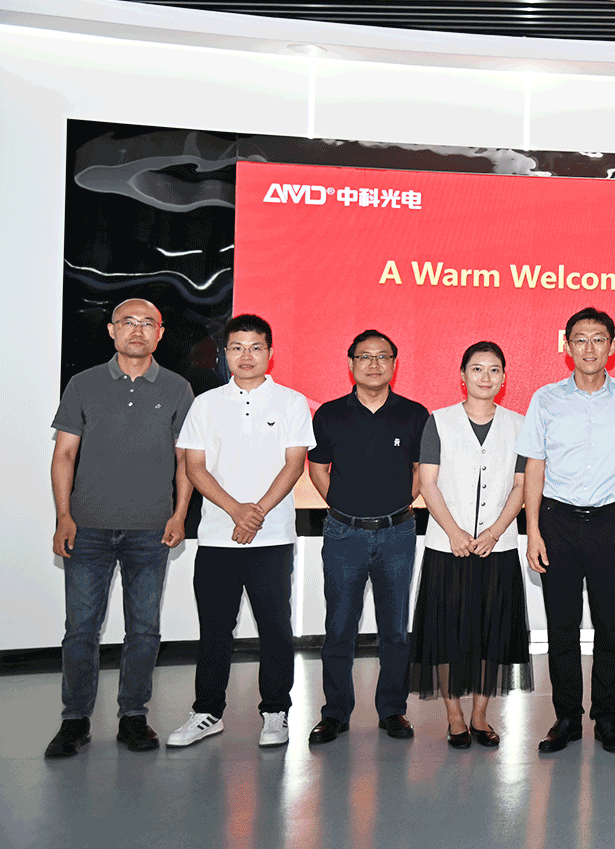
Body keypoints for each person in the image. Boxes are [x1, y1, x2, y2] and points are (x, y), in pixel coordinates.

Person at [45, 297, 195, 758]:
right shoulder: (83, 384)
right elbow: (64, 454)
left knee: (144, 630)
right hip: (86, 528)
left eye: (148, 322)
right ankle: (75, 720)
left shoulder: (177, 388)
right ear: (111, 330)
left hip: (151, 530)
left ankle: (133, 715)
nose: (137, 330)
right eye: (127, 322)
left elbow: (185, 461)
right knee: (80, 630)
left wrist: (179, 514)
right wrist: (64, 516)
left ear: (160, 333)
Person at [166, 314, 315, 749]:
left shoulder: (291, 402)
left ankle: (276, 711)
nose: (246, 355)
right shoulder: (205, 404)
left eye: (255, 347)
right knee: (215, 630)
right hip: (217, 536)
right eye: (237, 347)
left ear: (270, 353)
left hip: (273, 537)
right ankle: (207, 712)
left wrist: (258, 513)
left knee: (275, 629)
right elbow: (194, 466)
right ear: (225, 353)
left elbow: (294, 464)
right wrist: (236, 511)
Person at [519, 307, 615, 754]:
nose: (589, 347)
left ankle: (608, 718)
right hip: (557, 521)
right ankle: (566, 718)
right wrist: (533, 530)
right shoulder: (545, 399)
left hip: (611, 522)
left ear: (613, 346)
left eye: (599, 339)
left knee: (610, 626)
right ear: (567, 346)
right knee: (562, 626)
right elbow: (534, 466)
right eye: (580, 339)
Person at [306, 329, 430, 744]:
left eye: (382, 357)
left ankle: (393, 710)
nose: (374, 364)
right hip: (344, 534)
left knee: (395, 629)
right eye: (365, 356)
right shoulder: (329, 414)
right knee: (339, 627)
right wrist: (343, 507)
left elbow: (421, 471)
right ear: (351, 364)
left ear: (394, 363)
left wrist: (399, 505)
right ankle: (335, 713)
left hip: (398, 534)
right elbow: (317, 468)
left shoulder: (414, 414)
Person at [408, 341, 530, 750]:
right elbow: (428, 483)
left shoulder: (519, 425)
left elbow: (521, 485)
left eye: (494, 370)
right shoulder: (438, 421)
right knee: (446, 635)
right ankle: (454, 716)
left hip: (498, 547)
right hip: (448, 547)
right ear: (462, 376)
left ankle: (479, 715)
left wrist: (493, 532)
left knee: (490, 635)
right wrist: (455, 532)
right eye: (477, 369)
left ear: (504, 377)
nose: (485, 377)